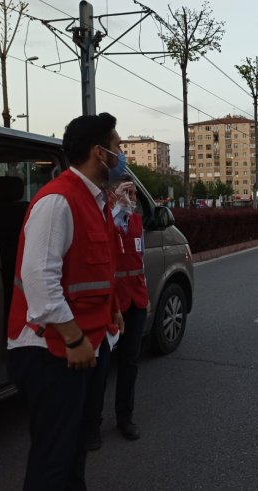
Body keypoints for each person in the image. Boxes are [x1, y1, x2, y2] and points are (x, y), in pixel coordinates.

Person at [6, 112, 126, 491]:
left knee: (76, 448)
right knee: (53, 458)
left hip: (87, 343)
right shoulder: (57, 201)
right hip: (53, 349)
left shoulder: (96, 201)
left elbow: (91, 270)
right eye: (118, 146)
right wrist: (74, 340)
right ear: (99, 152)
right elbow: (40, 281)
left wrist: (113, 311)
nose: (122, 154)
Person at [85, 178, 148, 450]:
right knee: (100, 369)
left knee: (130, 363)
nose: (130, 198)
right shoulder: (104, 221)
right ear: (110, 195)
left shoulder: (136, 222)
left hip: (136, 300)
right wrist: (115, 211)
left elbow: (140, 259)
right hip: (111, 304)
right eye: (124, 193)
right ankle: (91, 425)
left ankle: (125, 417)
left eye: (132, 194)